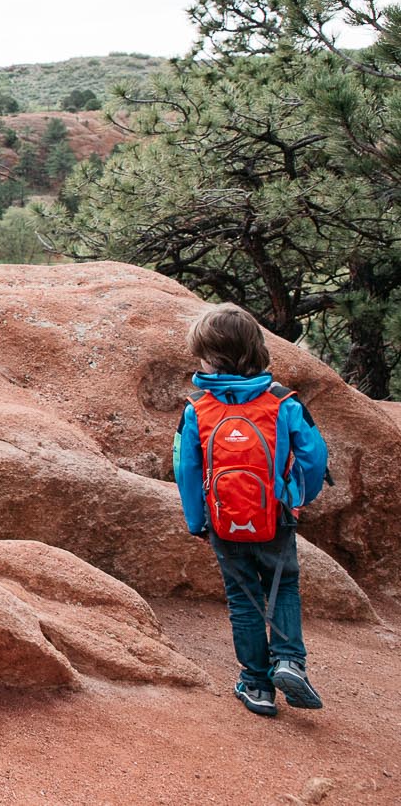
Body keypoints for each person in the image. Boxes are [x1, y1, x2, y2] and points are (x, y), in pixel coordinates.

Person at [172, 302, 329, 718]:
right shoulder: (283, 402)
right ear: (257, 349)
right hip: (275, 515)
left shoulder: (197, 409)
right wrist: (298, 497)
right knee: (283, 585)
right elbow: (314, 458)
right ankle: (290, 661)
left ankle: (257, 685)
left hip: (224, 521)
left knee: (244, 599)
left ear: (205, 356)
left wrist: (196, 519)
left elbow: (185, 468)